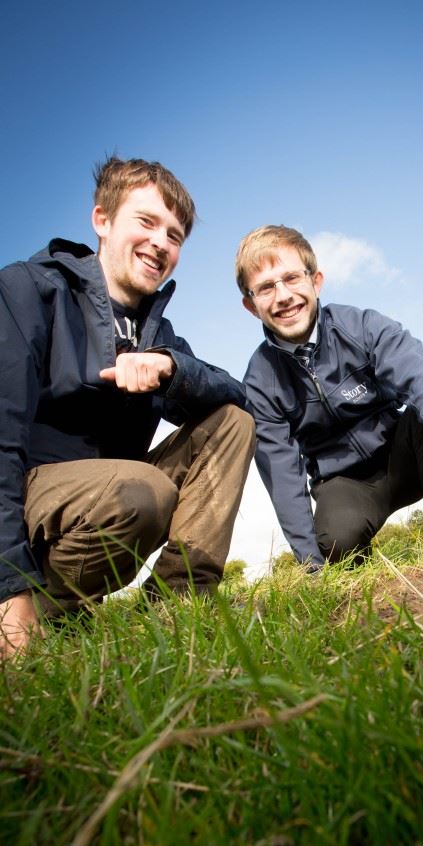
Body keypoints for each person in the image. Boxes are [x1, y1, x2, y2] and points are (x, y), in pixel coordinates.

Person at [0, 156, 255, 659]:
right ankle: (38, 605)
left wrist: (169, 367)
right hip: (35, 498)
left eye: (175, 235)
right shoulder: (28, 290)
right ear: (102, 220)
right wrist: (8, 589)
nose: (161, 242)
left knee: (232, 422)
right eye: (146, 222)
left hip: (118, 496)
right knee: (144, 491)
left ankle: (178, 608)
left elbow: (235, 394)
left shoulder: (158, 331)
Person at [237, 225, 423, 569]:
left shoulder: (363, 327)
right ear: (251, 305)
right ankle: (354, 567)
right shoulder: (261, 380)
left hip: (403, 456)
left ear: (316, 281)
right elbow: (283, 474)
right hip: (346, 484)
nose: (283, 296)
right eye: (265, 288)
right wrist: (312, 566)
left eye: (291, 278)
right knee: (337, 542)